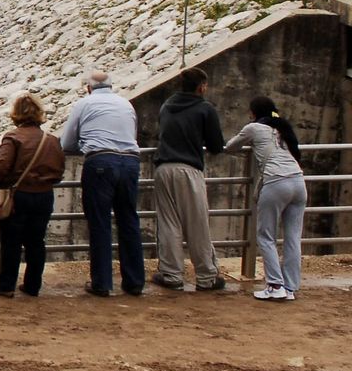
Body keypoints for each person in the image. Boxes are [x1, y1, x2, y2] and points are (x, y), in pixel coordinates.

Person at [60, 71, 145, 296]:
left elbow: (67, 142)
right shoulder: (126, 104)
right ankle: (135, 281)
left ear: (89, 88)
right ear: (111, 85)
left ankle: (102, 283)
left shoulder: (84, 104)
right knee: (128, 220)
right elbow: (132, 135)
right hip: (130, 162)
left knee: (100, 223)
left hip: (100, 162)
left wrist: (87, 144)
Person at [151, 68, 227, 292]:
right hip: (189, 169)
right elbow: (216, 145)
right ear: (201, 86)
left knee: (169, 223)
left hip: (163, 168)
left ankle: (171, 274)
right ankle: (206, 276)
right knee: (197, 223)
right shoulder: (205, 109)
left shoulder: (166, 106)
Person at [0, 94, 65, 297]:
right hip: (44, 196)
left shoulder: (13, 137)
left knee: (11, 241)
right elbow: (59, 171)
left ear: (16, 114)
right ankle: (32, 285)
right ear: (39, 113)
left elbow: (0, 168)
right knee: (36, 242)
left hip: (18, 196)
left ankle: (6, 285)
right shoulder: (52, 140)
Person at [225, 97, 306, 301]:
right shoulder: (283, 129)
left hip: (276, 182)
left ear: (253, 113)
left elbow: (230, 146)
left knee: (266, 236)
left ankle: (274, 285)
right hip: (298, 182)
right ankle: (290, 287)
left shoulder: (254, 128)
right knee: (293, 237)